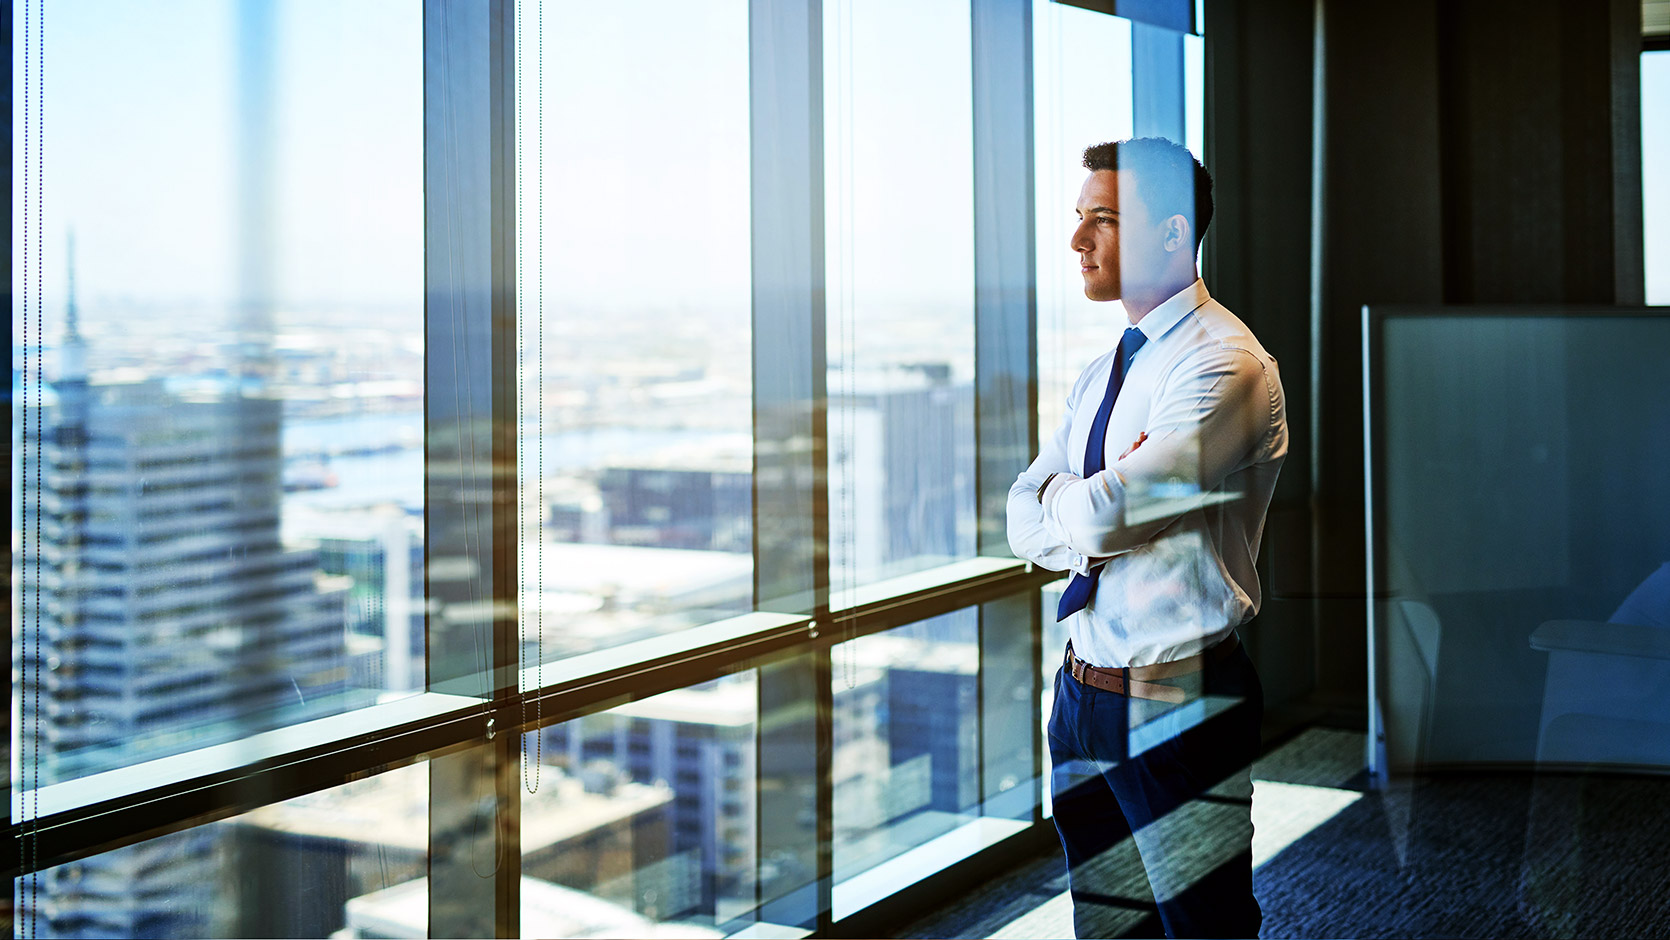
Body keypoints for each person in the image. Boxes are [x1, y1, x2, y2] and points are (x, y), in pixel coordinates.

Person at [1007, 137, 1287, 939]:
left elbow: (1097, 517)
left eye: (1102, 219)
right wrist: (1085, 503)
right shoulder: (1105, 372)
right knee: (1107, 925)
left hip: (1177, 701)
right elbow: (1023, 514)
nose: (1077, 241)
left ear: (1170, 234)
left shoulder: (1224, 366)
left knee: (1203, 926)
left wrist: (1082, 507)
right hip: (1081, 696)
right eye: (1078, 216)